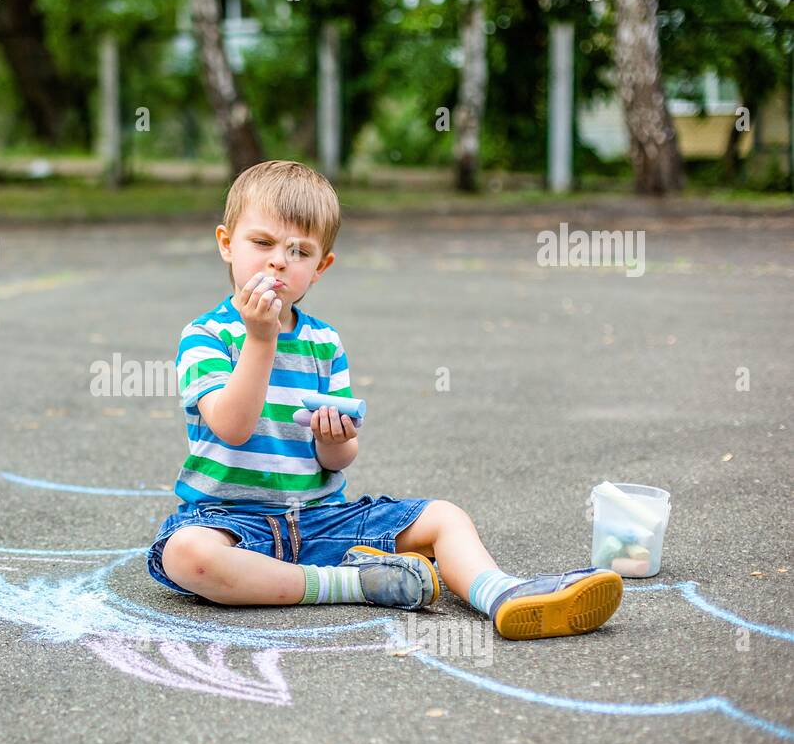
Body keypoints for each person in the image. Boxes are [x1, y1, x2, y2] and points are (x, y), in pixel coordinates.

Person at [145, 160, 623, 640]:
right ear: (227, 244)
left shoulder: (323, 342)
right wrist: (261, 339)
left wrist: (335, 439)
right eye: (263, 243)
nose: (278, 261)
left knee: (444, 517)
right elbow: (232, 427)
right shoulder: (206, 336)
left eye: (299, 251)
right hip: (229, 522)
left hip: (319, 518)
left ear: (320, 267)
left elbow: (338, 458)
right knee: (187, 556)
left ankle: (502, 594)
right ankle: (355, 582)